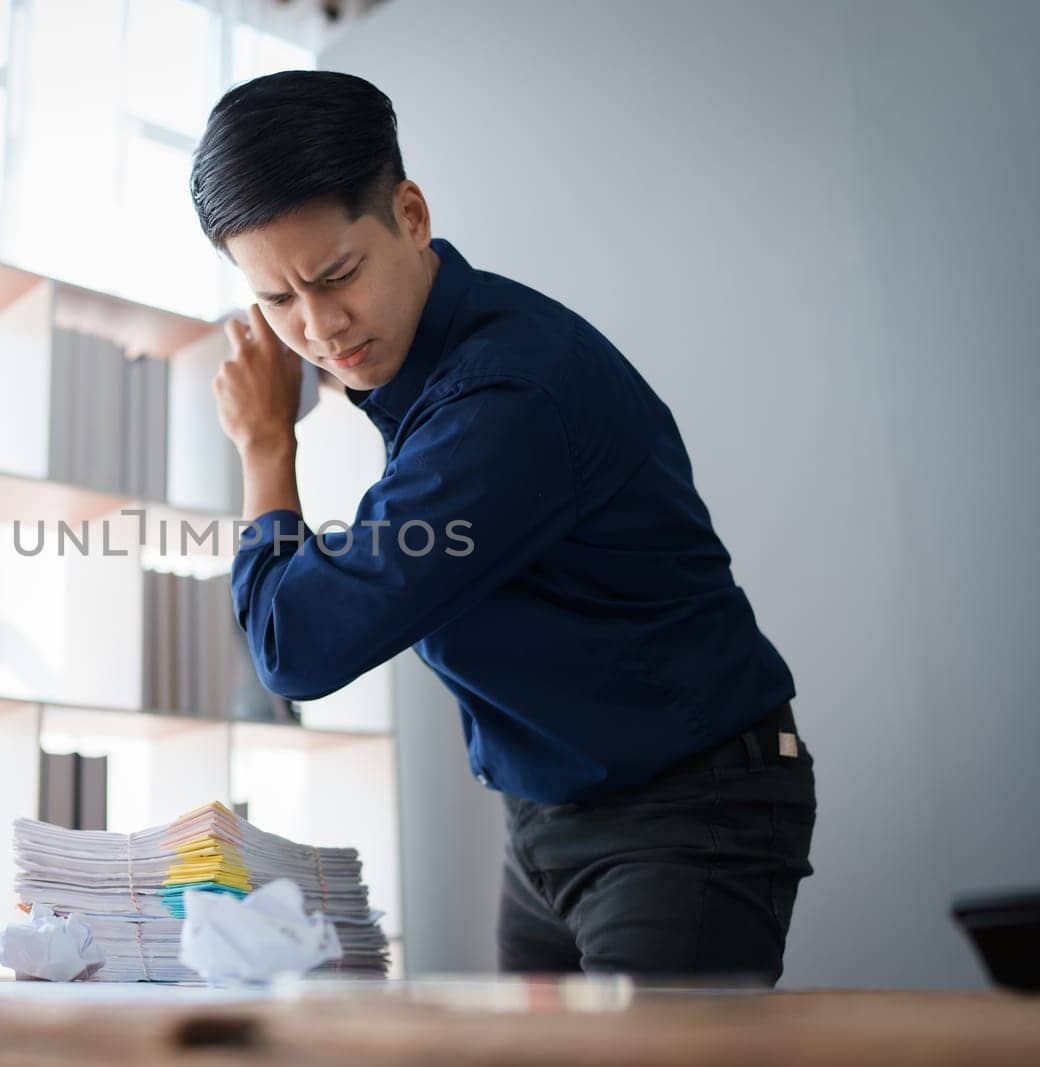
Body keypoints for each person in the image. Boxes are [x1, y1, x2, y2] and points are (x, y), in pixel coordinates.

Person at [190, 70, 816, 983]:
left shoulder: (502, 401)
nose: (320, 327)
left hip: (684, 813)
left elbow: (298, 647)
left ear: (410, 214)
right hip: (546, 816)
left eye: (337, 276)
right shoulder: (428, 366)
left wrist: (263, 447)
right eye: (278, 302)